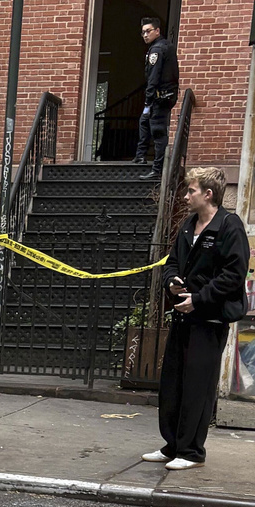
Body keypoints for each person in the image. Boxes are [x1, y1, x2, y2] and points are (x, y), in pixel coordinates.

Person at [141, 167, 249, 470]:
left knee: (198, 387)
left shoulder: (229, 226)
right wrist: (171, 281)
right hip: (183, 317)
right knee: (173, 384)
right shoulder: (189, 225)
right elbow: (172, 262)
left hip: (209, 320)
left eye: (191, 190)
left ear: (208, 194)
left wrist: (199, 299)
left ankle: (191, 452)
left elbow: (233, 274)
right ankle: (172, 446)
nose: (186, 196)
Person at [134, 16, 179, 181]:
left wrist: (148, 100)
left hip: (160, 97)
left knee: (158, 131)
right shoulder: (166, 46)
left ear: (157, 31)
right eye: (143, 32)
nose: (145, 35)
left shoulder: (157, 50)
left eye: (148, 31)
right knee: (144, 121)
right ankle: (140, 156)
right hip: (166, 96)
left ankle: (157, 170)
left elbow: (153, 77)